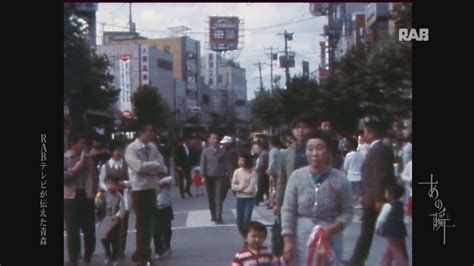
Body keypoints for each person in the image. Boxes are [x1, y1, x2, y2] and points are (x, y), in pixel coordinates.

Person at [281, 130, 354, 265]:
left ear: (328, 151)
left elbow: (348, 211)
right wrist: (288, 241)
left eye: (320, 148)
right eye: (310, 149)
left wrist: (332, 229)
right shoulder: (297, 177)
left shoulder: (340, 179)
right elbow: (288, 210)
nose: (314, 153)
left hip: (330, 236)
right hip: (301, 237)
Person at [347, 120, 396, 266]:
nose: (364, 135)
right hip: (372, 197)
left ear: (372, 134)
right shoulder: (377, 149)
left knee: (369, 231)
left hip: (375, 199)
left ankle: (357, 260)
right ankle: (359, 259)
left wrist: (379, 198)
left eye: (366, 132)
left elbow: (380, 176)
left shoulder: (378, 149)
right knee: (373, 231)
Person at [125, 123, 168, 266]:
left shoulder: (153, 147)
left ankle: (143, 253)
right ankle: (142, 257)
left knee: (150, 224)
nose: (153, 134)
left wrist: (151, 167)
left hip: (151, 187)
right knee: (141, 224)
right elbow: (138, 167)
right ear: (142, 132)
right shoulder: (132, 148)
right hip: (139, 188)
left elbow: (162, 165)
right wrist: (154, 166)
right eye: (150, 131)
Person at [64, 133, 98, 266]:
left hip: (87, 195)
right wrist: (77, 167)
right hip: (70, 197)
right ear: (73, 144)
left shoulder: (89, 158)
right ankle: (74, 259)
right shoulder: (66, 158)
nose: (84, 146)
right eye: (81, 143)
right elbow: (65, 179)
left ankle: (88, 255)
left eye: (85, 143)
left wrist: (95, 193)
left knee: (89, 229)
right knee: (73, 231)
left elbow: (94, 177)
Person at [98, 141, 130, 259]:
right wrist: (107, 187)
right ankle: (109, 250)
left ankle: (120, 250)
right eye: (116, 150)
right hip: (109, 199)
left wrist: (123, 184)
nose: (119, 152)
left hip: (123, 197)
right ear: (112, 151)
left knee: (123, 225)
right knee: (109, 224)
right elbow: (100, 181)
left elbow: (132, 180)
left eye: (121, 150)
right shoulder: (106, 166)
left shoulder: (126, 165)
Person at [274, 116, 311, 216]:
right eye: (297, 127)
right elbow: (282, 180)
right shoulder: (287, 153)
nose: (300, 130)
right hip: (293, 197)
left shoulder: (318, 149)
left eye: (304, 127)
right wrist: (278, 203)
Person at [375, 183, 409, 266]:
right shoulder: (401, 205)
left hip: (390, 231)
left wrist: (377, 228)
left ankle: (402, 263)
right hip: (401, 230)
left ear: (390, 194)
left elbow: (381, 219)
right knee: (393, 248)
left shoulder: (387, 206)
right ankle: (385, 263)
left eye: (386, 192)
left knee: (395, 249)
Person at [96, 175, 126, 266]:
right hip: (106, 220)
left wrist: (117, 216)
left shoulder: (119, 196)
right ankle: (107, 254)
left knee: (115, 240)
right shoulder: (104, 195)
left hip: (116, 221)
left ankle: (115, 256)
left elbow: (122, 208)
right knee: (105, 239)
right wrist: (98, 201)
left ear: (117, 185)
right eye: (107, 183)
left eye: (112, 184)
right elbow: (99, 207)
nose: (109, 186)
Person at [200, 133, 227, 224]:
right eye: (213, 138)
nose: (215, 140)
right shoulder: (206, 151)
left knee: (219, 197)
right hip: (209, 177)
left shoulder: (223, 151)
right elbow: (203, 164)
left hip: (220, 177)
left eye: (217, 138)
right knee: (211, 197)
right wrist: (203, 176)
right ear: (209, 140)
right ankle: (213, 215)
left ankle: (219, 216)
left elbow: (226, 164)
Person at [231, 152, 258, 235]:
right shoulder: (237, 172)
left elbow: (251, 188)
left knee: (247, 219)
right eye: (239, 160)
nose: (240, 162)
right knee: (239, 220)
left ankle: (246, 235)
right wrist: (242, 187)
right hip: (240, 198)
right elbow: (233, 186)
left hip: (249, 199)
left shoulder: (253, 173)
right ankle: (244, 235)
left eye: (242, 160)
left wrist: (240, 188)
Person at [153, 175, 174, 260]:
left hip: (166, 207)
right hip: (154, 208)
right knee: (156, 231)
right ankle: (159, 250)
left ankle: (167, 245)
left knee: (167, 229)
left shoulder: (166, 183)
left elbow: (170, 178)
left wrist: (159, 183)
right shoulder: (148, 184)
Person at [343, 137, 364, 208]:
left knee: (351, 192)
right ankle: (358, 203)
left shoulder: (349, 155)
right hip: (360, 176)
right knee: (358, 192)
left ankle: (351, 203)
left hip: (351, 176)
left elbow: (345, 167)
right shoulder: (361, 155)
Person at [266, 136, 282, 209]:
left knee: (272, 187)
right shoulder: (281, 151)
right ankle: (276, 201)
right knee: (277, 187)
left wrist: (269, 170)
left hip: (274, 172)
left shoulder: (272, 151)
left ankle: (272, 202)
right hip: (280, 172)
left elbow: (271, 162)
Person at [221, 135, 239, 200]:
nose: (223, 145)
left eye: (224, 144)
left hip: (230, 174)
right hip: (229, 174)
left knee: (234, 191)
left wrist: (231, 176)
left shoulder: (231, 152)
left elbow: (230, 165)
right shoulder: (227, 151)